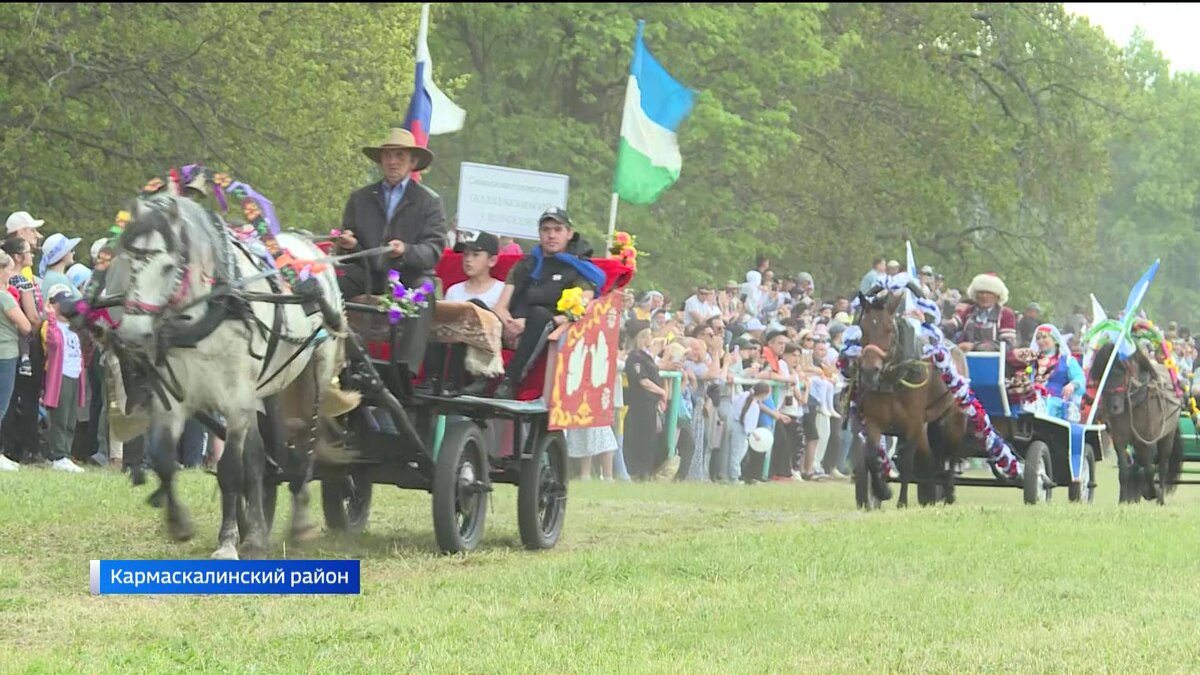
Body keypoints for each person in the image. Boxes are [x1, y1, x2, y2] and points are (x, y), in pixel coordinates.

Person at [491, 208, 605, 399]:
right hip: (510, 324)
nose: (551, 235)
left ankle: (510, 381)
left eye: (557, 229)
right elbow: (500, 306)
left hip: (549, 328)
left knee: (539, 315)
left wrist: (527, 325)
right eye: (546, 230)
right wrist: (509, 324)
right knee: (476, 307)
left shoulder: (580, 270)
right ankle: (475, 376)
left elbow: (578, 312)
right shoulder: (525, 264)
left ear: (569, 233)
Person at [336, 127, 447, 297]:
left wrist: (406, 251)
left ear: (413, 162)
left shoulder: (429, 201)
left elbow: (433, 251)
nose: (392, 161)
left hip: (409, 277)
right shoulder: (359, 199)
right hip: (367, 275)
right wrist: (349, 245)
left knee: (423, 291)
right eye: (387, 155)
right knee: (328, 287)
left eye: (400, 156)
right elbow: (347, 249)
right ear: (381, 160)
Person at [425, 233, 504, 396]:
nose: (468, 260)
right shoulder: (454, 290)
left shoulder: (501, 289)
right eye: (466, 255)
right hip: (453, 339)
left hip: (484, 344)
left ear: (492, 261)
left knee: (471, 308)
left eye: (476, 255)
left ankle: (457, 381)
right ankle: (432, 380)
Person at [0, 250, 31, 471]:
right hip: (6, 354)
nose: (11, 274)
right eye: (9, 269)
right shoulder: (5, 297)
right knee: (2, 404)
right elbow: (26, 325)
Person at [1019, 324, 1085, 421]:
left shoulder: (1067, 361)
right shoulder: (1031, 362)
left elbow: (1080, 378)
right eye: (1038, 338)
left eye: (1045, 337)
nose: (1041, 341)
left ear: (1054, 339)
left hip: (1057, 406)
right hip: (1032, 405)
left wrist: (1072, 385)